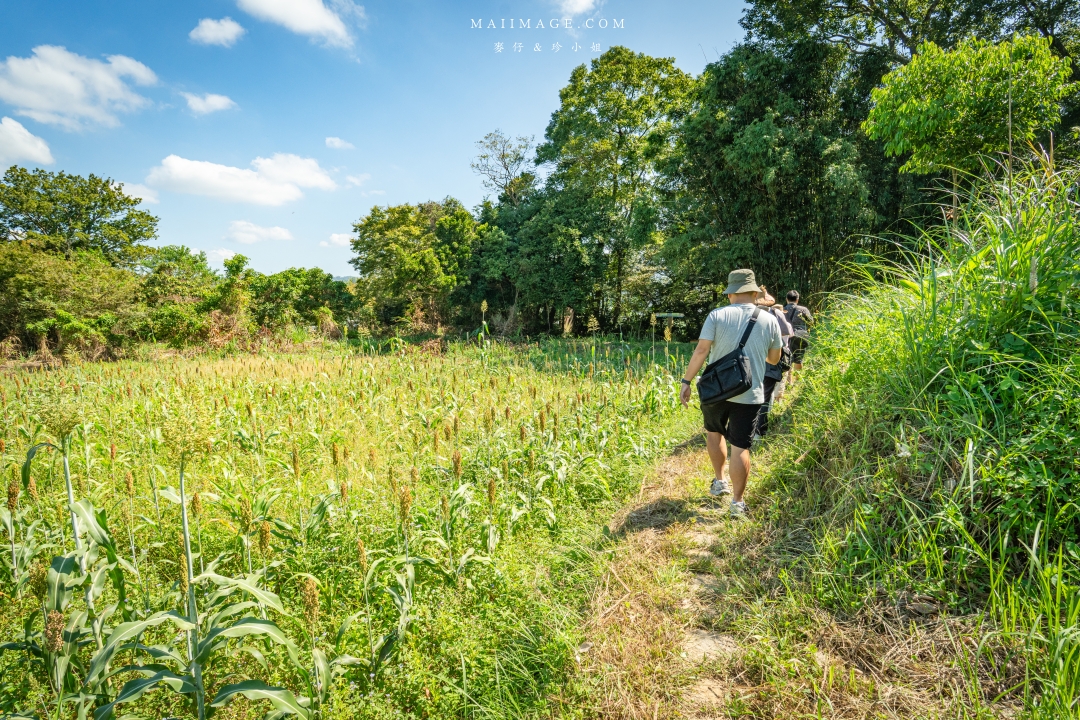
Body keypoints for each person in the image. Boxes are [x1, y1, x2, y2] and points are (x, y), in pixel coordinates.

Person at [680, 269, 783, 517]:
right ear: (755, 292)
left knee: (714, 435)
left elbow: (701, 351)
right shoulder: (770, 319)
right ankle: (737, 503)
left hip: (716, 390)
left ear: (730, 293)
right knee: (741, 448)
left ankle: (720, 481)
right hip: (750, 393)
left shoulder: (717, 315)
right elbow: (774, 359)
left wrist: (686, 381)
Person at [753, 294, 792, 439]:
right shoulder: (776, 313)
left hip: (749, 362)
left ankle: (746, 430)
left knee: (750, 395)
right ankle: (758, 432)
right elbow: (786, 335)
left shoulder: (746, 315)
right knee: (764, 396)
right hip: (770, 360)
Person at [784, 290, 813, 382]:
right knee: (798, 358)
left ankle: (789, 381)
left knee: (787, 357)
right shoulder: (803, 309)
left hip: (787, 336)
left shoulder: (783, 310)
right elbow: (811, 322)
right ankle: (797, 381)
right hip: (800, 335)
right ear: (797, 299)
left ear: (787, 299)